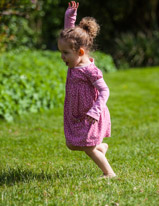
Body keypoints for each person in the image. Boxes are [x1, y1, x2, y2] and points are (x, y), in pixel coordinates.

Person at [58, 1, 116, 178]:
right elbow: (70, 35)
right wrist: (70, 15)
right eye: (61, 52)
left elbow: (105, 91)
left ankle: (109, 173)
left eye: (65, 53)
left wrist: (95, 111)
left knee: (88, 147)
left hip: (91, 114)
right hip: (77, 112)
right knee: (73, 144)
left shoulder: (90, 70)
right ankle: (101, 148)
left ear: (80, 52)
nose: (62, 57)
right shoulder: (74, 60)